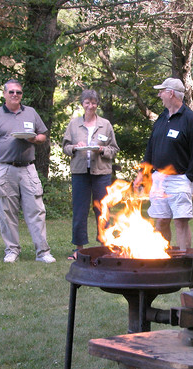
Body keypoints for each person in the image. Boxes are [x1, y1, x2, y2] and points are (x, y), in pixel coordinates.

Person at [0, 79, 55, 264]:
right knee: (6, 212)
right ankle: (12, 250)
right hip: (4, 168)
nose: (15, 95)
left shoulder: (30, 112)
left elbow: (43, 135)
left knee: (36, 210)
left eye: (18, 92)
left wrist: (35, 139)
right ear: (4, 94)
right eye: (11, 92)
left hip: (28, 168)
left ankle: (43, 252)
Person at [133, 77, 193, 251]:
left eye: (162, 91)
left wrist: (189, 178)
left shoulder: (190, 119)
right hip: (158, 180)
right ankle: (161, 257)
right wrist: (142, 174)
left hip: (180, 179)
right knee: (161, 220)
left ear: (171, 93)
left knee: (180, 221)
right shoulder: (162, 118)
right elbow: (151, 148)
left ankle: (184, 261)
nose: (159, 94)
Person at [62, 89, 120, 259]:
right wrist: (74, 147)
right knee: (79, 211)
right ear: (82, 104)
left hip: (101, 173)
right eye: (87, 102)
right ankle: (79, 250)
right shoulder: (73, 124)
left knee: (102, 210)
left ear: (97, 104)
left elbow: (114, 148)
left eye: (93, 102)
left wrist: (102, 150)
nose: (90, 105)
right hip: (80, 172)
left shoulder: (105, 125)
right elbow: (65, 146)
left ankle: (106, 247)